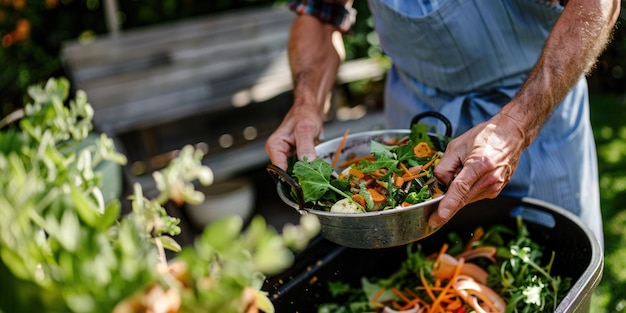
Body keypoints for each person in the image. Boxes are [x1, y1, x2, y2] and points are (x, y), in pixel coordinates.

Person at [265, 0, 620, 245]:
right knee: (421, 265)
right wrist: (307, 102)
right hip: (420, 108)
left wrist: (517, 124)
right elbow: (320, 13)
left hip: (534, 104)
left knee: (548, 255)